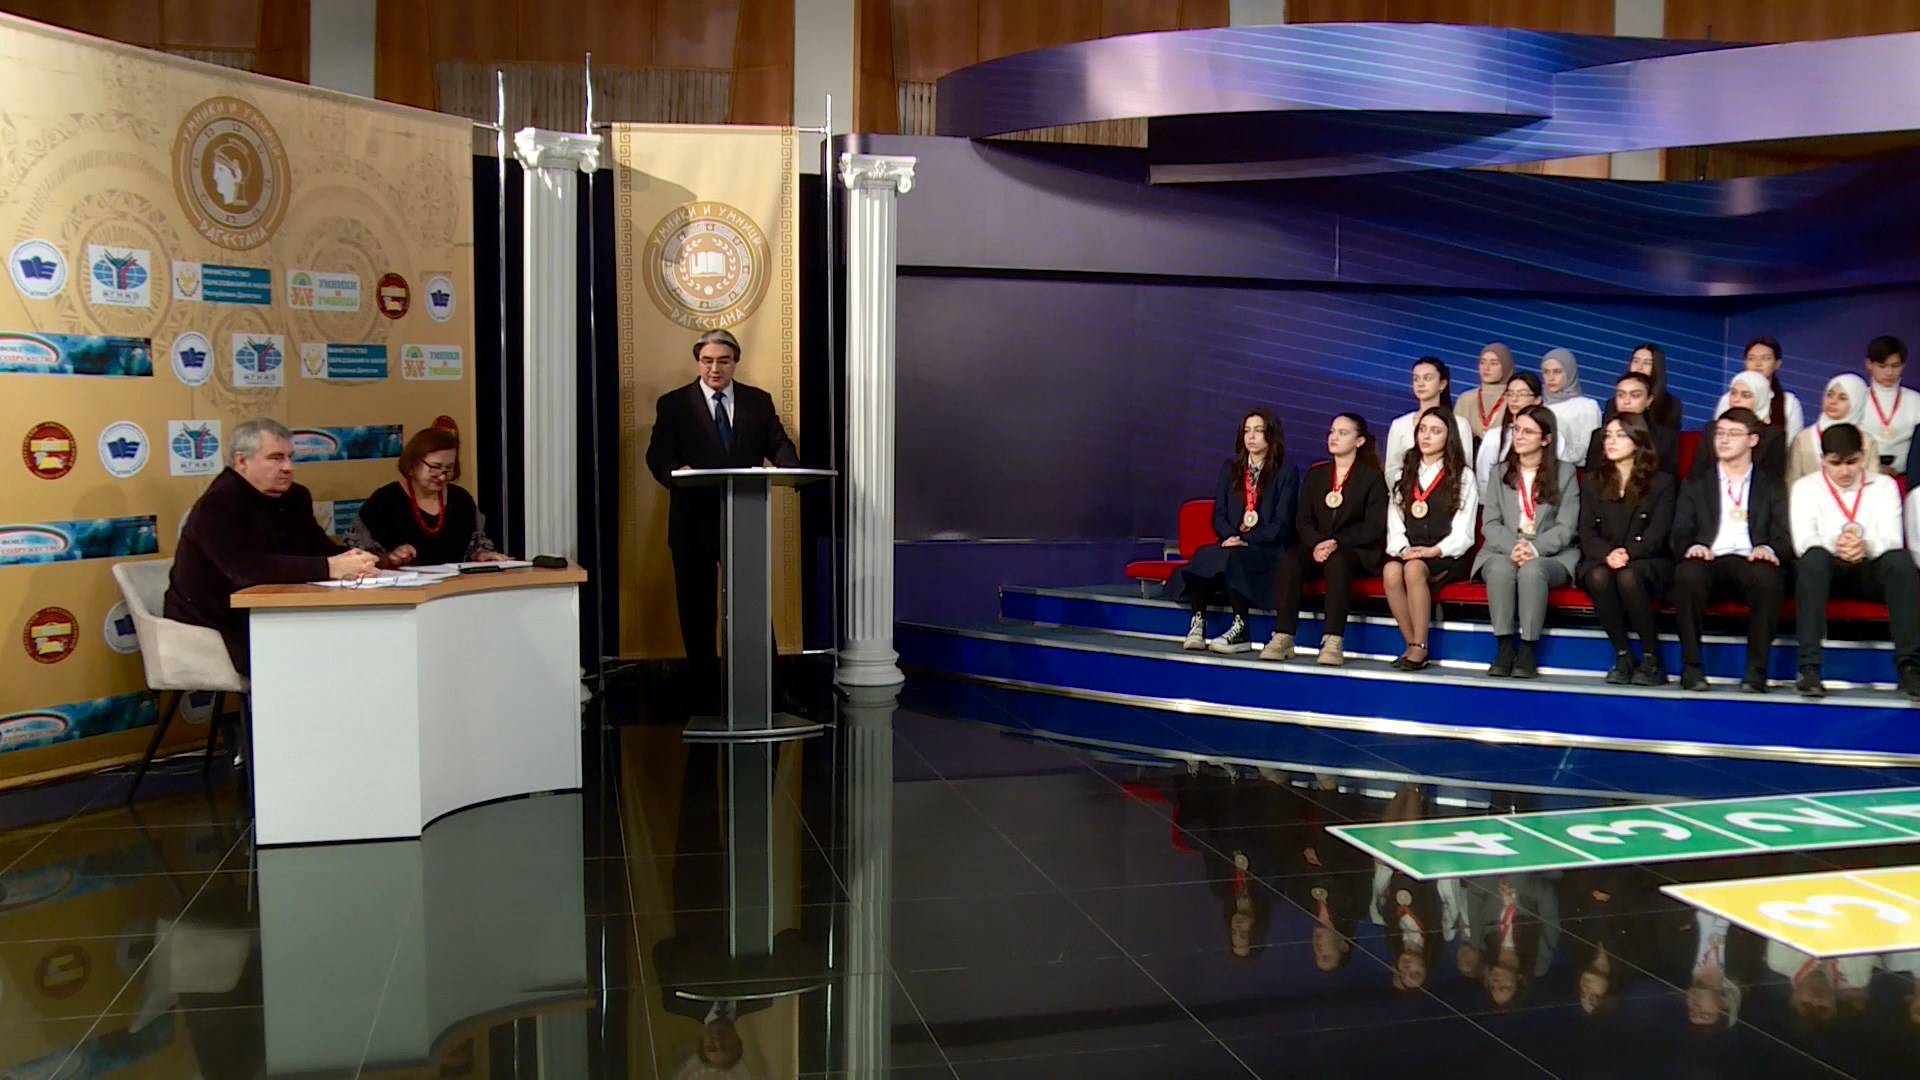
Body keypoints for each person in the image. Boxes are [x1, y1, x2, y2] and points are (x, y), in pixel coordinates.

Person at [164, 419, 378, 674]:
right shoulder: (218, 503)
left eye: (290, 457)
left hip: (278, 613)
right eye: (275, 458)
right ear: (241, 461)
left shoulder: (296, 496)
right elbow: (246, 570)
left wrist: (362, 560)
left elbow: (317, 548)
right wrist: (330, 567)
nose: (288, 467)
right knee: (324, 650)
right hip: (215, 624)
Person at [645, 330, 800, 675]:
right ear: (698, 362)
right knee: (697, 612)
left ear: (735, 362)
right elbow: (657, 455)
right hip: (692, 524)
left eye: (723, 361)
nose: (714, 369)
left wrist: (790, 467)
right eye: (707, 361)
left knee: (752, 607)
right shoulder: (674, 404)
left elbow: (778, 443)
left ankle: (767, 687)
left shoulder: (757, 401)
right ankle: (702, 689)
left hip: (743, 520)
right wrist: (676, 472)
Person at [1789, 422, 1920, 700]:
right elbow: (1803, 541)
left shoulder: (1883, 486)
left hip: (1868, 569)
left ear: (1863, 457)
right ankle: (1808, 667)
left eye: (1852, 462)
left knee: (1900, 562)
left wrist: (1865, 545)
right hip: (1826, 571)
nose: (1845, 471)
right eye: (1835, 463)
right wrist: (1838, 544)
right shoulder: (1805, 487)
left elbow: (1892, 539)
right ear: (1822, 460)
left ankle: (1910, 667)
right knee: (1812, 560)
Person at [1671, 408, 1791, 693]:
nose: (1723, 440)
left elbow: (1784, 536)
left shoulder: (1771, 484)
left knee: (1768, 577)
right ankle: (1691, 668)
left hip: (1751, 559)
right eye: (1720, 433)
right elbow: (1679, 534)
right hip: (1709, 559)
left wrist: (1767, 548)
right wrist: (1694, 546)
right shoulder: (1696, 482)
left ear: (1752, 440)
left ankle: (1756, 672)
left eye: (1733, 434)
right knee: (1687, 573)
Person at [1261, 413, 1386, 667]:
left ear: (1359, 441)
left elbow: (1373, 527)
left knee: (1337, 561)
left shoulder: (1372, 478)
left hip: (1355, 550)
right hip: (1317, 546)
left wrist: (1335, 542)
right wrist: (1318, 543)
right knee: (1292, 559)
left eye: (1342, 433)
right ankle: (1283, 635)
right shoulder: (1317, 474)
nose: (1334, 437)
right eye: (1332, 432)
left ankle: (1333, 640)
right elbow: (1303, 521)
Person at [1173, 409, 1299, 654]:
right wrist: (1230, 536)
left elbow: (1282, 523)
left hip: (1267, 549)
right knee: (1204, 554)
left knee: (1234, 557)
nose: (1251, 437)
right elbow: (1219, 514)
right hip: (1233, 543)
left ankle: (1241, 628)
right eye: (1246, 431)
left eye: (1258, 431)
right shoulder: (1230, 469)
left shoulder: (1286, 472)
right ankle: (1198, 622)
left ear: (1271, 435)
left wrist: (1244, 540)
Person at [1474, 405, 1580, 679]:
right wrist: (1515, 546)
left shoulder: (1565, 473)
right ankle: (1504, 647)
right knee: (1501, 569)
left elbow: (1567, 526)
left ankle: (1528, 649)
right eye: (1516, 429)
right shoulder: (1500, 472)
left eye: (1528, 432)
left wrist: (1534, 548)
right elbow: (1490, 523)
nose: (1519, 436)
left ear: (1546, 439)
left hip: (1552, 553)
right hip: (1503, 548)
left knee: (1533, 570)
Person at [1577, 415, 1676, 686]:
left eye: (1620, 436)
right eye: (1608, 436)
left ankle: (1652, 658)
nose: (1611, 441)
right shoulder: (1592, 482)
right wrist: (1608, 555)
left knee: (1628, 576)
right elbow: (1587, 532)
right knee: (1598, 575)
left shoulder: (1661, 482)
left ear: (1638, 441)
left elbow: (1659, 532)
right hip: (1603, 557)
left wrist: (1629, 554)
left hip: (1647, 558)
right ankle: (1622, 654)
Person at [1383, 407, 1477, 671]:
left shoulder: (1463, 476)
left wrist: (1434, 551)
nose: (1426, 436)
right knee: (1391, 571)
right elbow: (1395, 522)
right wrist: (1403, 548)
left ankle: (1420, 646)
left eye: (1435, 431)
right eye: (1422, 430)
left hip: (1446, 555)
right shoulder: (1404, 474)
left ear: (1448, 437)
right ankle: (1411, 642)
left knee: (1414, 568)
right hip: (1411, 551)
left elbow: (1464, 532)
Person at [350, 427, 509, 567]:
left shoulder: (461, 499)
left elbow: (476, 544)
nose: (442, 477)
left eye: (449, 468)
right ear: (413, 463)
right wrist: (389, 559)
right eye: (435, 467)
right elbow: (354, 555)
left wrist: (481, 555)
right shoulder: (385, 500)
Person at [1382, 356, 1472, 488]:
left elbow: (1465, 469)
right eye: (1416, 379)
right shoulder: (1399, 425)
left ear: (1442, 384)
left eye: (1427, 378)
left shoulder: (1460, 425)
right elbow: (1392, 469)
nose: (1420, 384)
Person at [1786, 373, 1877, 488]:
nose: (1833, 401)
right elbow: (1792, 481)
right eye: (1829, 395)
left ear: (1857, 402)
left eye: (1842, 398)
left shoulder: (1866, 441)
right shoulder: (1803, 438)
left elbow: (1872, 484)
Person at [1693, 371, 1787, 482]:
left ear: (1760, 398)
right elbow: (1697, 474)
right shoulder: (1711, 428)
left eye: (1746, 395)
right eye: (1733, 393)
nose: (1736, 399)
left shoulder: (1774, 434)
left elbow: (1773, 481)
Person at [1712, 336, 1805, 441]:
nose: (1757, 364)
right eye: (1751, 358)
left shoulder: (1789, 403)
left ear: (1777, 364)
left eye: (1765, 358)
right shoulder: (1728, 399)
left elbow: (1792, 444)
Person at [1586, 373, 1678, 477]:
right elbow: (1591, 477)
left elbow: (1668, 479)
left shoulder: (1665, 437)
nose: (1626, 401)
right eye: (1621, 395)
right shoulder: (1599, 435)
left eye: (1635, 395)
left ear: (1649, 400)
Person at [1472, 372, 1542, 494]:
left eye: (1522, 394)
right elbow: (1483, 479)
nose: (1514, 399)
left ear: (1537, 399)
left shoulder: (1552, 436)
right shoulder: (1494, 436)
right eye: (1510, 393)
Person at [1864, 335, 1918, 474]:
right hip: (1863, 477)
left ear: (1903, 365)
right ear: (1869, 364)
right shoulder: (1857, 399)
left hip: (1907, 479)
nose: (1889, 372)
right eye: (1882, 366)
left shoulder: (1915, 400)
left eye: (1895, 366)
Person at [1541, 348, 1599, 468]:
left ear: (1569, 372)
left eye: (1557, 372)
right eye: (1546, 372)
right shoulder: (1539, 405)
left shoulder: (1585, 407)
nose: (1550, 378)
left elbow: (1587, 452)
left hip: (1572, 472)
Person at [1615, 342, 1684, 431]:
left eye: (1647, 363)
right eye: (1636, 361)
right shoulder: (1614, 402)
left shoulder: (1671, 405)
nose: (1639, 367)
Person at [1455, 342, 1515, 442]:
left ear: (1506, 366)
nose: (1486, 368)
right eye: (1482, 362)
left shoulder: (1514, 399)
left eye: (1494, 363)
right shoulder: (1466, 399)